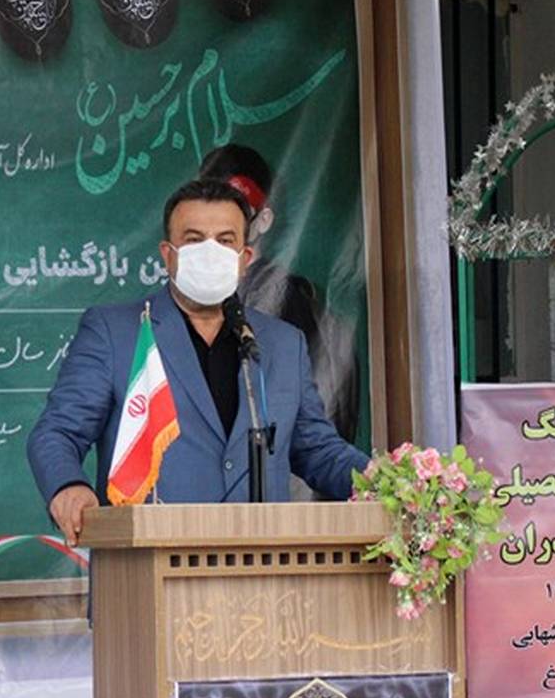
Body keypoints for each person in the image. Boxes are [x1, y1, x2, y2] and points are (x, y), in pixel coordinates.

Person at [28, 179, 369, 546]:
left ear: (245, 258)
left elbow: (317, 450)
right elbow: (58, 432)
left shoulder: (283, 343)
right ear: (167, 254)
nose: (210, 252)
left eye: (225, 240)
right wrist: (68, 486)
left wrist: (383, 481)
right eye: (194, 240)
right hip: (149, 562)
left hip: (262, 565)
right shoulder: (115, 332)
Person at [198, 143, 361, 444]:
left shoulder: (287, 301)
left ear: (263, 220)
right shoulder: (191, 299)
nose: (219, 224)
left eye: (235, 210)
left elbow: (310, 419)